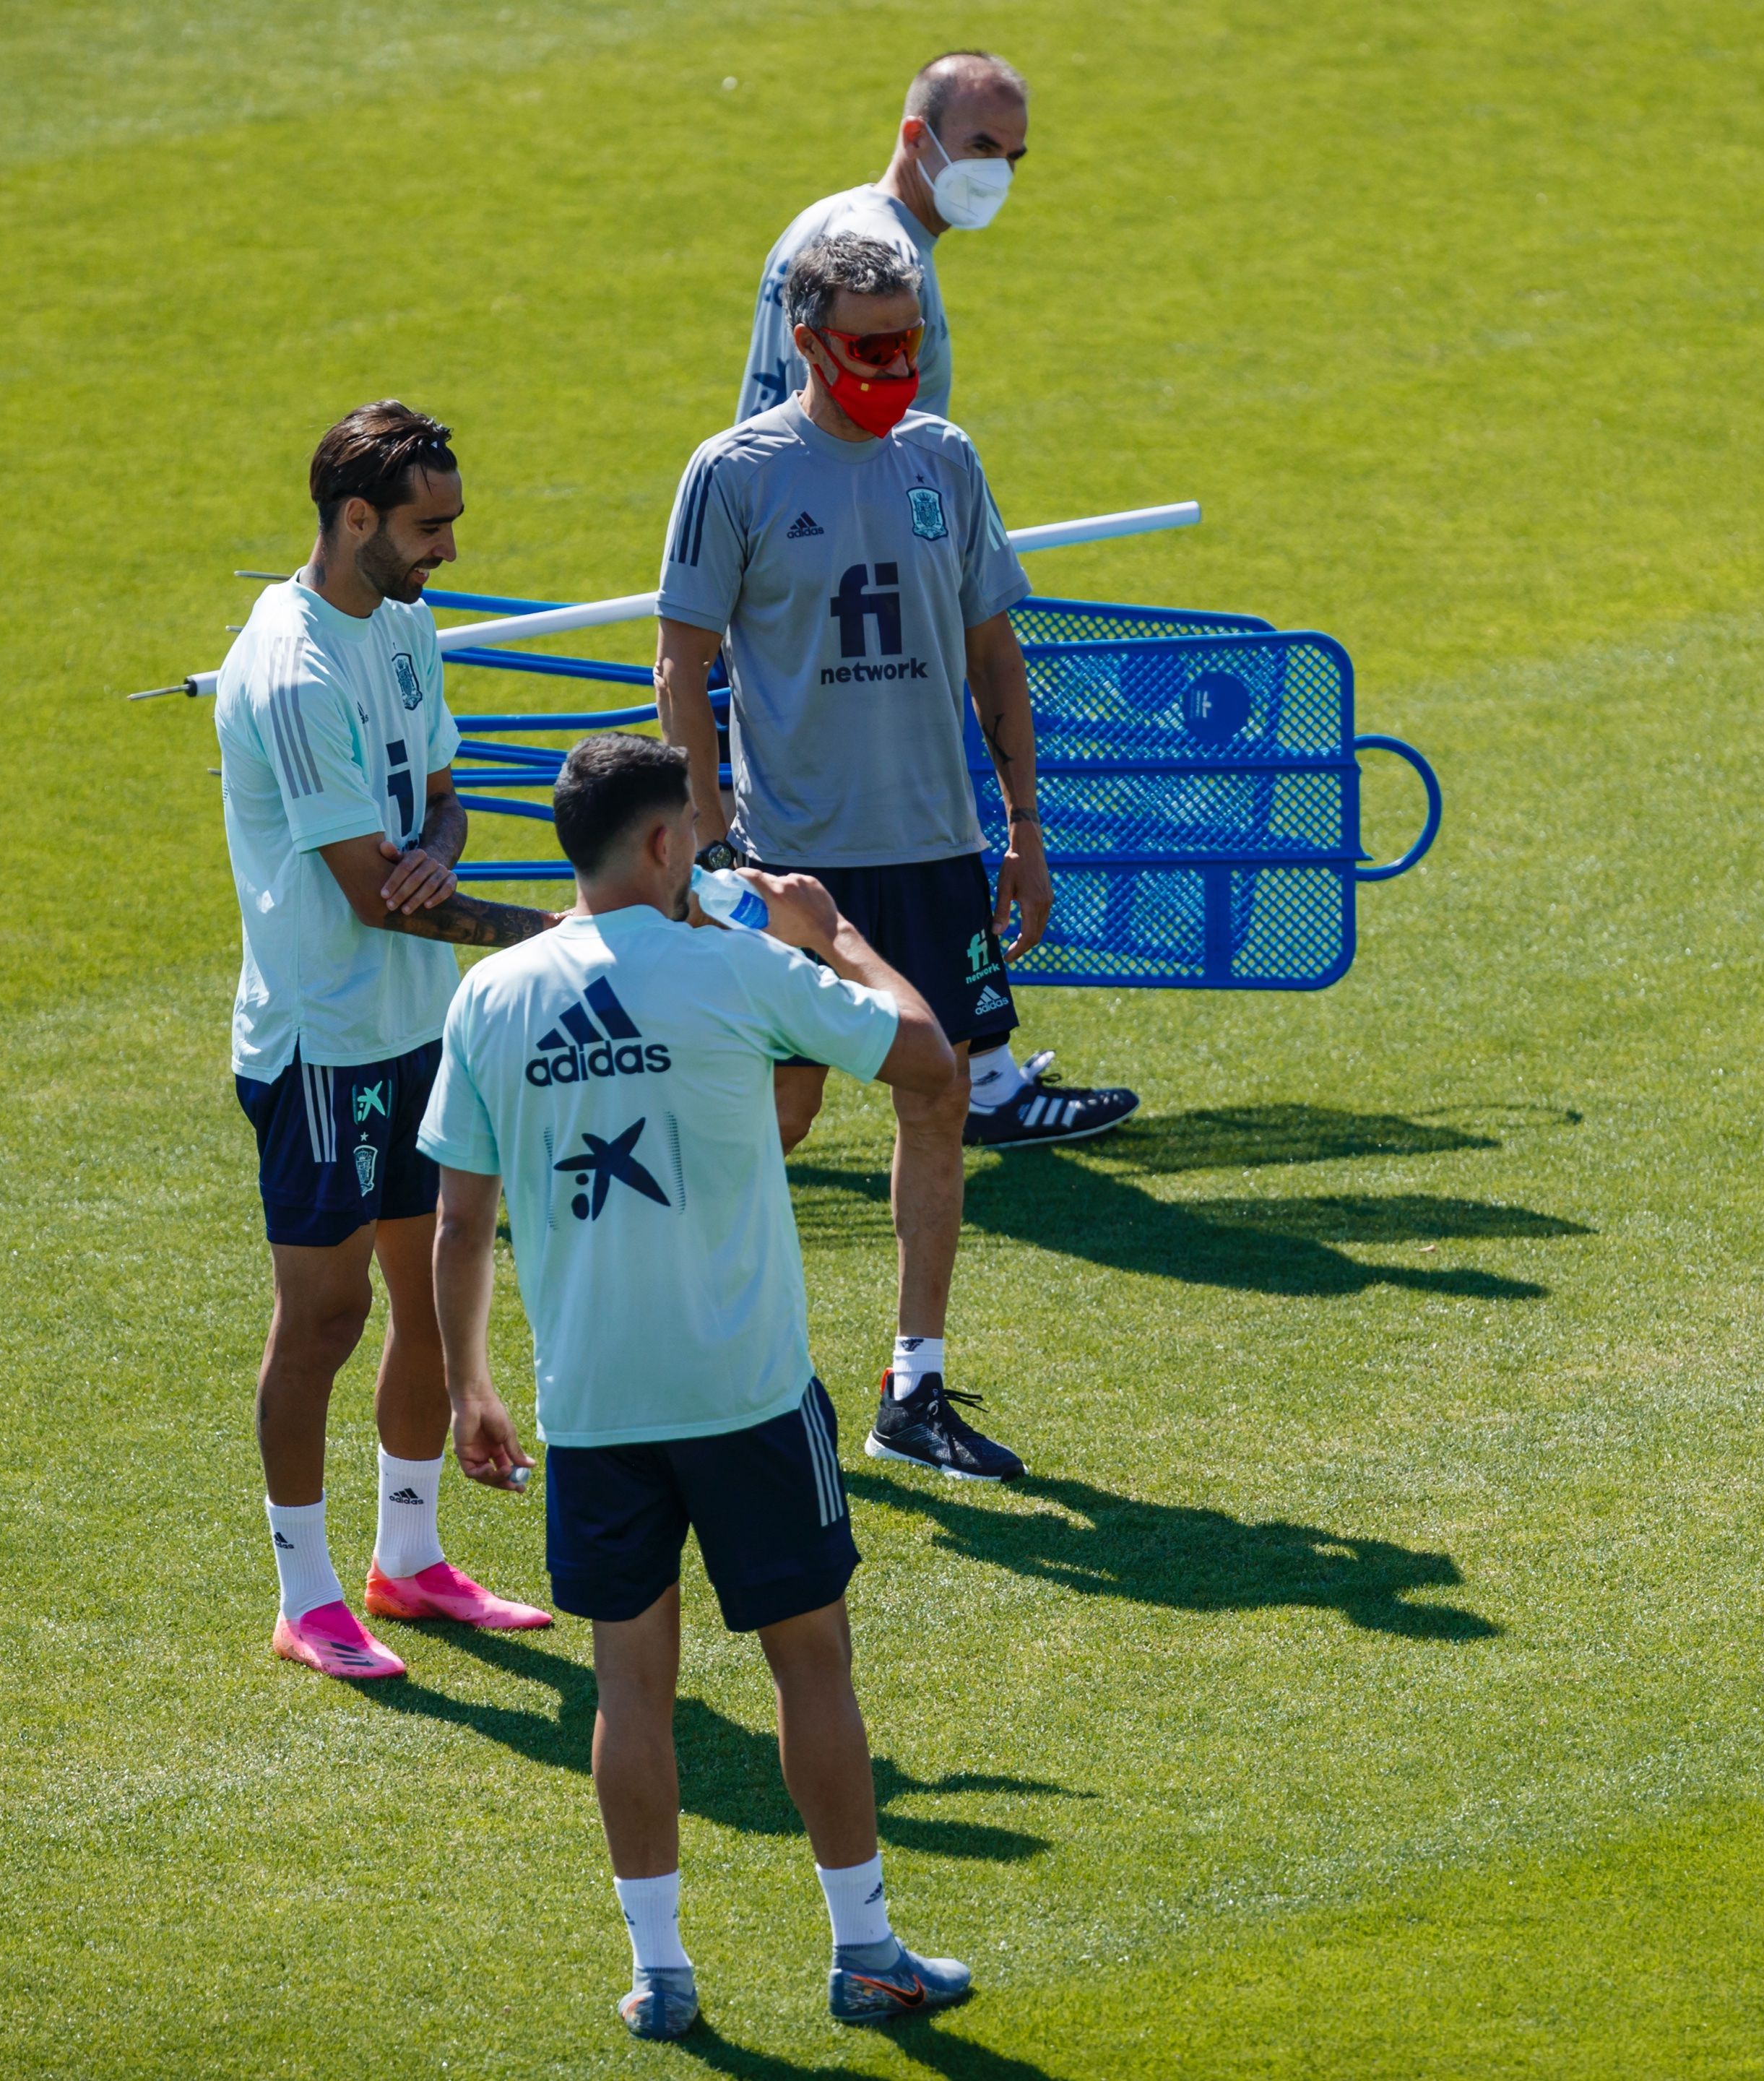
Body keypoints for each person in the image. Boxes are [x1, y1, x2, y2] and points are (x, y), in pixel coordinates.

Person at [422, 732, 977, 2038]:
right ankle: (866, 1952)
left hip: (594, 1406)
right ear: (664, 843)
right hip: (746, 1394)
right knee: (812, 1663)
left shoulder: (491, 999)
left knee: (631, 1687)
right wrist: (831, 936)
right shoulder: (740, 970)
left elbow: (458, 1220)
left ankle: (660, 1973)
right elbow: (926, 1057)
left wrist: (470, 1388)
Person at [657, 231, 1139, 1481]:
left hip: (934, 849)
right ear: (808, 344)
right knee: (786, 1105)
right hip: (796, 861)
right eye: (871, 346)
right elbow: (681, 664)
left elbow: (994, 656)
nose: (897, 367)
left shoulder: (946, 458)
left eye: (911, 342)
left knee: (937, 1094)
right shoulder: (735, 474)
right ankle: (703, 1348)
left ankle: (910, 1389)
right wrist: (711, 849)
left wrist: (1024, 830)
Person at [213, 401, 564, 1681]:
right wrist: (558, 930)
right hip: (326, 1045)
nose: (449, 554)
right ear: (355, 519)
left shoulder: (404, 625)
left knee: (428, 1298)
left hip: (422, 1022)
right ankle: (304, 1593)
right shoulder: (292, 671)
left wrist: (437, 857)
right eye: (430, 528)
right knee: (326, 1316)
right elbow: (366, 893)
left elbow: (440, 800)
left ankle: (407, 1563)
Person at [735, 51, 1028, 425]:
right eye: (982, 148)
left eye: (1012, 157)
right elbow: (849, 435)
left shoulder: (821, 217)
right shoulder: (888, 261)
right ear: (916, 136)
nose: (998, 173)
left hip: (765, 477)